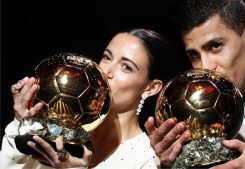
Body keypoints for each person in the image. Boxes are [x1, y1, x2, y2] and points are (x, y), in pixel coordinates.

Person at [145, 0, 245, 168]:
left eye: (215, 46)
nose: (205, 67)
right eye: (194, 55)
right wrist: (174, 163)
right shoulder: (196, 114)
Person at [1, 28, 173, 168]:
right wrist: (20, 124)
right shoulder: (55, 129)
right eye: (107, 57)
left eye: (126, 67)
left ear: (151, 88)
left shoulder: (149, 160)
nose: (106, 72)